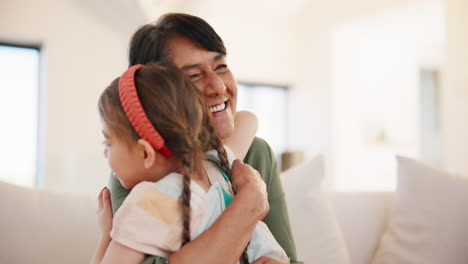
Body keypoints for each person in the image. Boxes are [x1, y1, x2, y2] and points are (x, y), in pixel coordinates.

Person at [106, 13, 301, 264]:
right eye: (194, 76)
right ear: (158, 97)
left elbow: (291, 259)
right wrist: (249, 205)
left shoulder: (256, 153)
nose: (219, 86)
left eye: (221, 67)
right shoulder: (138, 170)